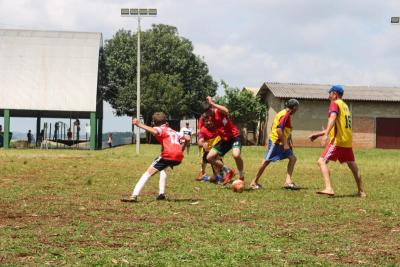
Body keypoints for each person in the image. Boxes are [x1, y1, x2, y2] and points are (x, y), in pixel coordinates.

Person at [309, 85, 366, 197]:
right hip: (347, 141)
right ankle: (361, 191)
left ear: (335, 94)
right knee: (353, 166)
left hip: (337, 141)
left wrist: (325, 135)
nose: (329, 95)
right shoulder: (345, 106)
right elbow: (338, 126)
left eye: (330, 93)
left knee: (321, 161)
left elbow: (333, 118)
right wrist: (319, 134)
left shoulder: (334, 104)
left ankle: (329, 188)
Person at [121, 112, 190, 202]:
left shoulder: (160, 129)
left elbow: (155, 131)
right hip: (178, 157)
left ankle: (134, 196)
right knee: (163, 168)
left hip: (168, 155)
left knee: (147, 174)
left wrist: (139, 124)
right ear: (166, 122)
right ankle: (161, 194)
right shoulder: (172, 131)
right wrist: (182, 149)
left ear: (154, 122)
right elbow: (188, 137)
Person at [250, 99, 300, 190]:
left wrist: (287, 142)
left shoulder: (284, 113)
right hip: (276, 142)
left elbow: (284, 130)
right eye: (297, 108)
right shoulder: (285, 115)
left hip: (282, 142)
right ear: (294, 108)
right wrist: (285, 143)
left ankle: (288, 182)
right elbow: (279, 130)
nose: (297, 110)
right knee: (266, 161)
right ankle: (254, 182)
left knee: (292, 158)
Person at [200, 96, 242, 185]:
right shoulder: (209, 118)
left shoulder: (218, 111)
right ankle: (228, 171)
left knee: (236, 155)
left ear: (211, 107)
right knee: (209, 157)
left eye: (208, 110)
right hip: (224, 140)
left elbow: (226, 111)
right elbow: (205, 130)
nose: (208, 113)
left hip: (234, 137)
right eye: (206, 112)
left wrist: (213, 103)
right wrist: (203, 142)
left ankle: (241, 175)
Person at [196, 113, 232, 183]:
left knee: (217, 177)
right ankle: (207, 176)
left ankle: (207, 177)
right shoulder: (203, 130)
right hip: (208, 153)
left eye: (210, 120)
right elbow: (200, 141)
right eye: (206, 121)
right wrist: (203, 143)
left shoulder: (217, 126)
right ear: (203, 122)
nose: (209, 122)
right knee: (209, 160)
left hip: (217, 151)